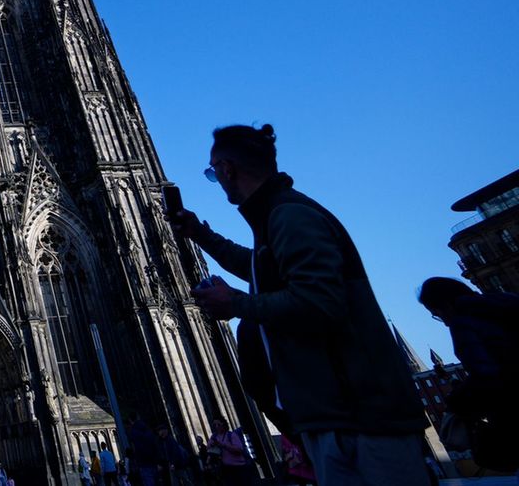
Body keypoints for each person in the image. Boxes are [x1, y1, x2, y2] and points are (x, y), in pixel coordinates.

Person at [167, 124, 428, 485]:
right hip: (341, 413)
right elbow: (259, 265)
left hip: (360, 416)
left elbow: (320, 303)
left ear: (227, 169)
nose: (217, 180)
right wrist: (201, 235)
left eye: (213, 172)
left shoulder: (290, 216)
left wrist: (236, 303)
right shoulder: (278, 214)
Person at [417, 276, 519, 472]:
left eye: (437, 313)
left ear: (445, 305)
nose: (444, 322)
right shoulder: (508, 302)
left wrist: (457, 400)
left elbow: (486, 375)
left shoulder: (463, 323)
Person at [205, 420, 252, 486]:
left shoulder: (231, 435)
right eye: (214, 425)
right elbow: (208, 449)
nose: (216, 427)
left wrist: (224, 445)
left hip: (239, 467)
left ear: (224, 424)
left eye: (218, 424)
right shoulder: (213, 437)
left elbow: (239, 449)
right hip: (226, 468)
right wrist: (211, 446)